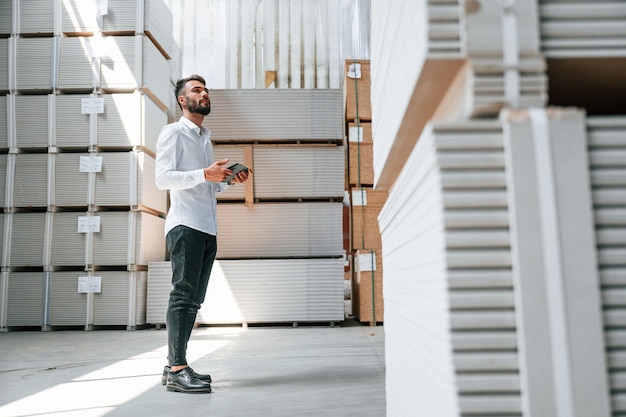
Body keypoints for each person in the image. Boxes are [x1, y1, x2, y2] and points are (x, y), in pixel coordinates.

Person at [155, 74, 250, 394]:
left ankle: (173, 366)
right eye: (197, 90)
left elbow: (203, 186)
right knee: (183, 296)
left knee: (194, 300)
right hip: (185, 226)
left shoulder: (203, 139)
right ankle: (178, 369)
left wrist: (224, 180)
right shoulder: (174, 132)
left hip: (206, 227)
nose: (204, 93)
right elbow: (163, 179)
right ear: (183, 100)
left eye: (206, 89)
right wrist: (205, 173)